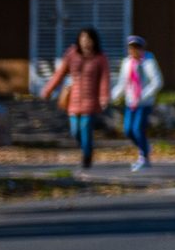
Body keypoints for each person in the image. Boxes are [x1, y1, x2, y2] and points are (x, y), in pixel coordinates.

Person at [38, 26, 110, 169]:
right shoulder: (71, 55)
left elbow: (104, 79)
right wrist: (48, 89)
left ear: (94, 41)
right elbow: (59, 74)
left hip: (90, 100)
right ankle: (85, 148)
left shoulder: (100, 58)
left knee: (85, 127)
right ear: (79, 40)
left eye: (88, 39)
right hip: (73, 99)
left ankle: (87, 156)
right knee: (75, 130)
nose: (85, 42)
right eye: (83, 38)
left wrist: (104, 96)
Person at [113, 34, 163, 170]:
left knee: (137, 129)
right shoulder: (127, 63)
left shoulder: (148, 61)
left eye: (137, 47)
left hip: (144, 103)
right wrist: (113, 96)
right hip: (131, 102)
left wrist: (144, 95)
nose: (134, 50)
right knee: (128, 130)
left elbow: (157, 82)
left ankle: (144, 158)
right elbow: (122, 83)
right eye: (131, 48)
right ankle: (145, 147)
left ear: (142, 48)